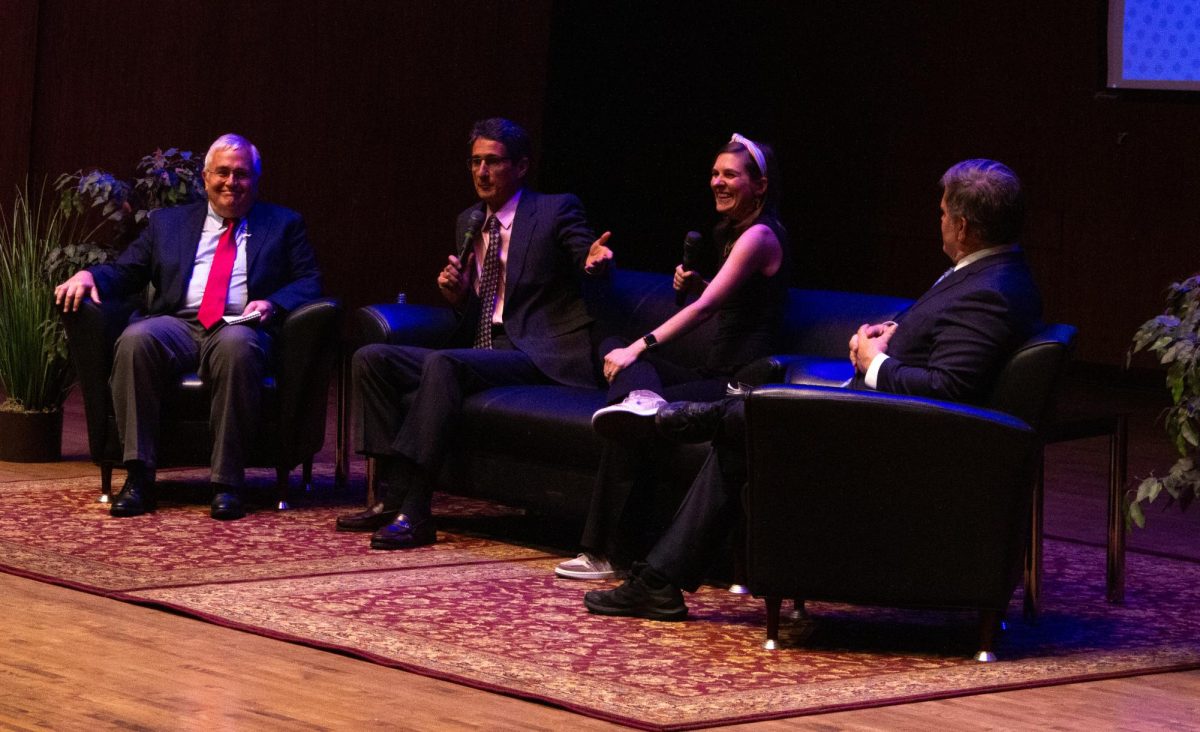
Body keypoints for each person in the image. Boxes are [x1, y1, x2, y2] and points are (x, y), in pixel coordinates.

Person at [582, 158, 1043, 620]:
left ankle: (680, 424)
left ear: (963, 225)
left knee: (753, 419)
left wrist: (875, 360)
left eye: (942, 214)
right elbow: (940, 336)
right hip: (894, 415)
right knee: (750, 418)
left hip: (911, 439)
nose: (938, 222)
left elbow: (950, 387)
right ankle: (662, 573)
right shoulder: (985, 272)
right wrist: (889, 332)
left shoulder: (991, 290)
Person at [336, 117, 614, 549]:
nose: (482, 172)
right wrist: (459, 295)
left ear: (521, 166)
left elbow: (585, 258)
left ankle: (416, 506)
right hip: (488, 349)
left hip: (539, 352)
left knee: (444, 363)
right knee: (372, 357)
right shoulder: (469, 221)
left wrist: (595, 260)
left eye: (493, 162)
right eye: (475, 162)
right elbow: (478, 314)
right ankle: (386, 497)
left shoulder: (555, 209)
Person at [555, 133, 790, 580]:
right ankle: (642, 402)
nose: (717, 182)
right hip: (713, 371)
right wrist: (697, 286)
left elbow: (707, 310)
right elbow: (729, 300)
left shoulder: (760, 234)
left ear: (760, 186)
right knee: (615, 361)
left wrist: (640, 345)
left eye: (731, 175)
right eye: (715, 173)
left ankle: (606, 552)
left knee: (628, 404)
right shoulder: (735, 232)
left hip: (738, 384)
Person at [54, 133, 323, 521]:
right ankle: (139, 476)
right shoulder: (168, 223)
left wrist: (273, 303)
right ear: (206, 176)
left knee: (236, 347)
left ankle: (227, 483)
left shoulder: (283, 224)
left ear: (256, 180)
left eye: (242, 174)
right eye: (224, 173)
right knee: (135, 340)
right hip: (178, 323)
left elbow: (309, 281)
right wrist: (87, 275)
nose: (232, 182)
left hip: (239, 325)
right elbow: (126, 271)